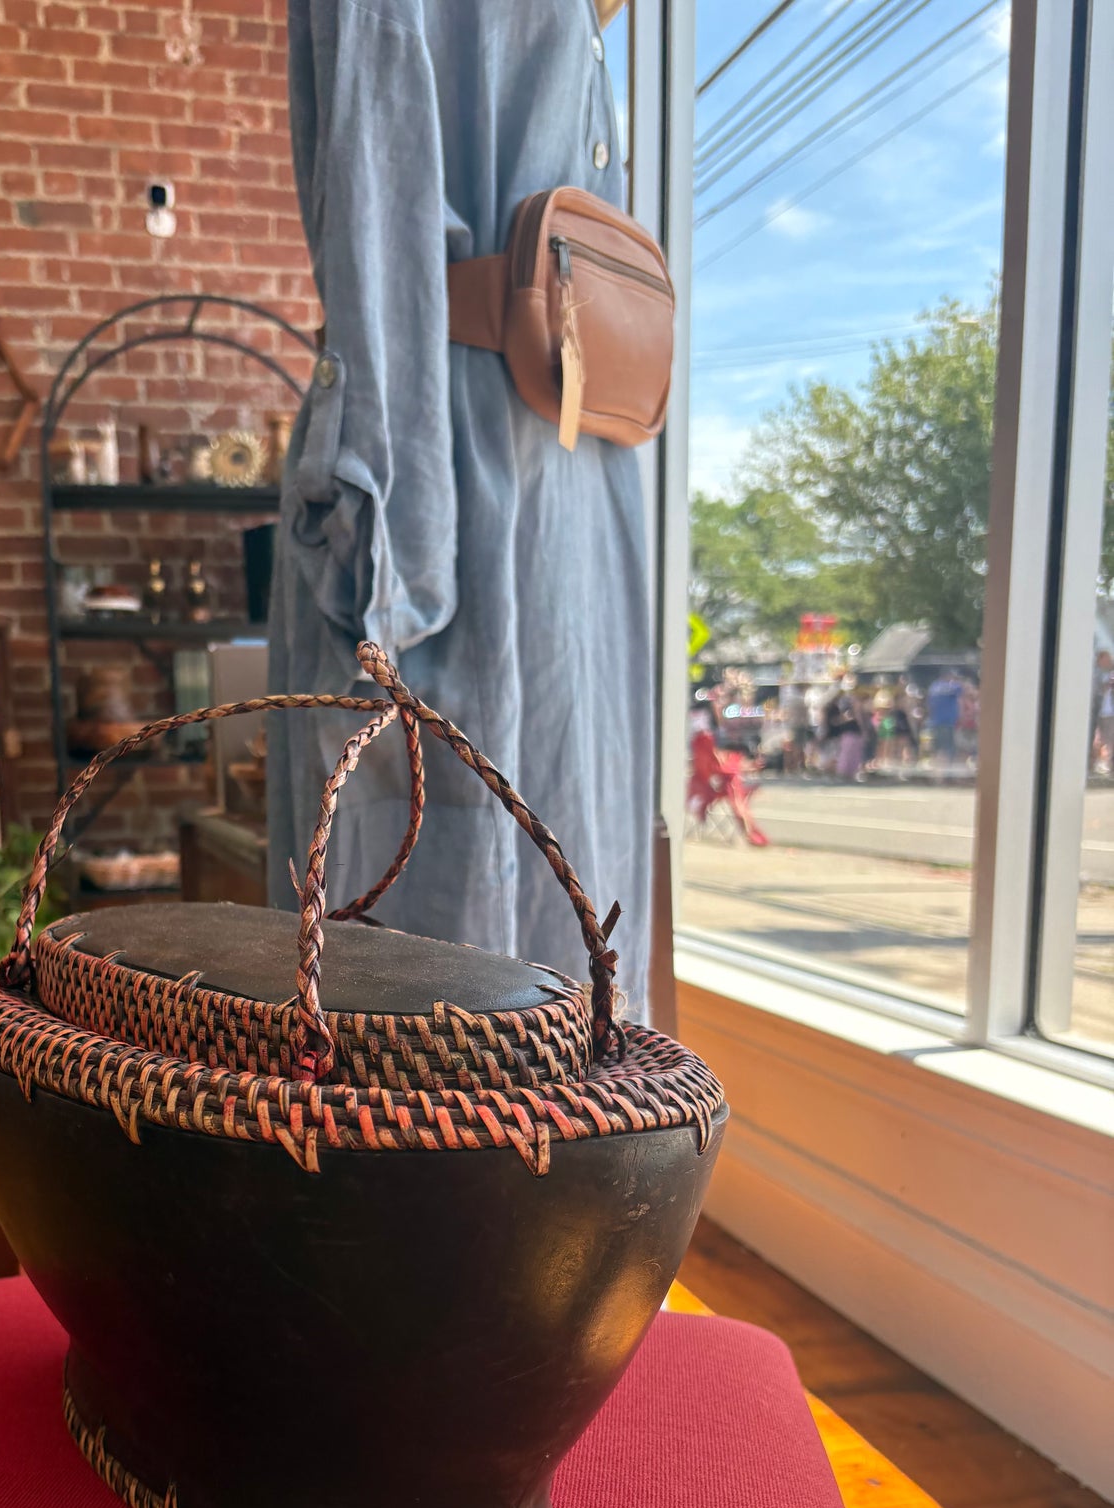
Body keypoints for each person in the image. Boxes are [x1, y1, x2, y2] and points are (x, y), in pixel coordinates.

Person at [267, 0, 651, 994]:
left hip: (555, 483)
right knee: (424, 919)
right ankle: (460, 1144)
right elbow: (382, 226)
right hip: (456, 471)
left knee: (558, 879)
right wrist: (392, 562)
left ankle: (547, 1138)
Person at [822, 678, 866, 782]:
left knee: (851, 753)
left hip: (849, 730)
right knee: (846, 753)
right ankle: (843, 773)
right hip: (848, 730)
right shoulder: (845, 701)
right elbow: (852, 715)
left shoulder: (846, 700)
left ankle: (849, 773)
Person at [925, 670, 963, 768]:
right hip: (947, 722)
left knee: (937, 748)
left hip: (935, 721)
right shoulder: (951, 686)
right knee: (947, 748)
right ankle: (945, 772)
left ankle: (937, 773)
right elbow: (960, 688)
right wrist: (956, 680)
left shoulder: (933, 687)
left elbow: (929, 704)